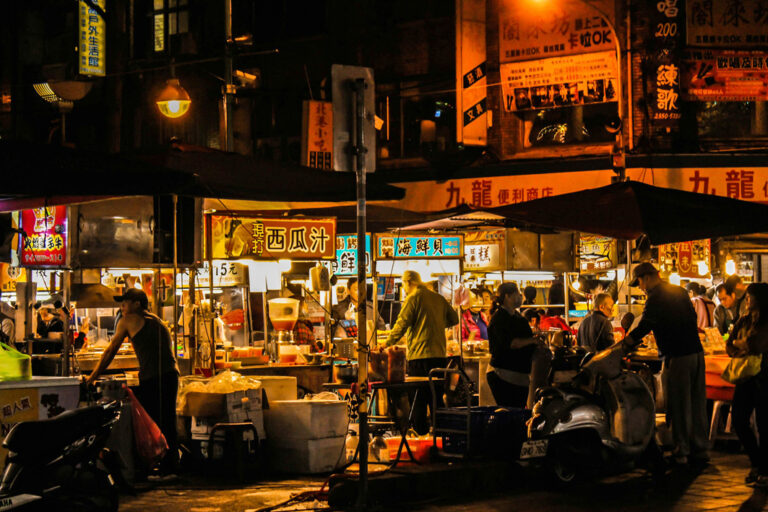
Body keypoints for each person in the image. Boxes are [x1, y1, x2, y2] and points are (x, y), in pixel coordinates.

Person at [622, 262, 708, 466]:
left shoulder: (656, 297)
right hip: (696, 353)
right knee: (697, 403)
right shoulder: (678, 291)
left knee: (679, 404)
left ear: (647, 277)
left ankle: (682, 450)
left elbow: (645, 325)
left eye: (640, 282)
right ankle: (700, 449)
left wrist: (626, 343)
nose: (641, 287)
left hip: (677, 356)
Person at [85, 289, 179, 474]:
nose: (122, 307)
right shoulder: (157, 320)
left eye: (125, 303)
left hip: (153, 377)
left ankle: (151, 466)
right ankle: (170, 465)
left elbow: (111, 350)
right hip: (171, 375)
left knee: (149, 421)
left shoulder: (128, 320)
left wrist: (92, 377)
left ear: (137, 303)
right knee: (167, 420)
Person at [384, 270, 459, 433]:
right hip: (439, 358)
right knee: (436, 399)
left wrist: (385, 345)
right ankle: (440, 438)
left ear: (409, 282)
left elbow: (400, 326)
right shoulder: (438, 298)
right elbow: (455, 319)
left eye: (403, 284)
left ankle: (421, 439)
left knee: (418, 401)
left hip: (419, 358)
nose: (403, 288)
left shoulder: (413, 298)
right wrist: (436, 325)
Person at [726, 282, 768, 486]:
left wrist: (746, 345)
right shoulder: (743, 320)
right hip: (744, 377)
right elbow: (730, 343)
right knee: (740, 420)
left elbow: (758, 344)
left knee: (764, 424)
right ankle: (758, 463)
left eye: (751, 297)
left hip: (764, 378)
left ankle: (764, 471)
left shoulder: (766, 321)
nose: (748, 300)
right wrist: (739, 349)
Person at [486, 282, 542, 408]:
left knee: (518, 411)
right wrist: (533, 341)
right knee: (510, 413)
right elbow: (512, 343)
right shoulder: (499, 318)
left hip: (518, 375)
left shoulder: (518, 317)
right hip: (503, 374)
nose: (521, 297)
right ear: (507, 296)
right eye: (517, 294)